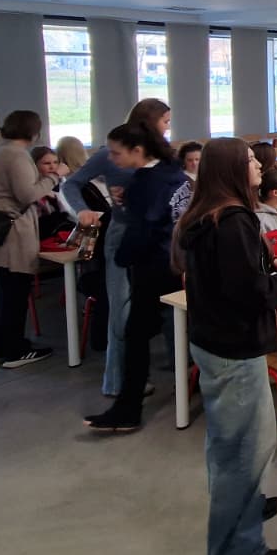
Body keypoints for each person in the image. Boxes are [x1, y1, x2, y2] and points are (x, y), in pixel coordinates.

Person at [174, 137, 277, 555]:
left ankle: (246, 507)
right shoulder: (233, 222)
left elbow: (232, 280)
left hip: (214, 341)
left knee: (230, 444)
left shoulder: (207, 215)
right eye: (249, 161)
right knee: (245, 450)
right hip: (234, 348)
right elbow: (253, 294)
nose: (259, 166)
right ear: (231, 170)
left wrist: (266, 270)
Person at [62, 99, 173, 398]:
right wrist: (82, 210)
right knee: (122, 309)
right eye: (165, 121)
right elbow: (71, 184)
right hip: (124, 234)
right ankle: (117, 381)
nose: (168, 127)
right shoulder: (110, 154)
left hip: (157, 235)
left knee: (165, 302)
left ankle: (176, 367)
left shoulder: (160, 154)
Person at [83, 121, 188, 432]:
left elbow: (142, 230)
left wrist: (121, 257)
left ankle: (128, 408)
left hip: (153, 265)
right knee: (168, 328)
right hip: (177, 260)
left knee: (135, 336)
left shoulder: (146, 183)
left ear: (138, 150)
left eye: (116, 153)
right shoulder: (174, 173)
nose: (111, 158)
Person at [0, 109, 60, 366]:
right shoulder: (17, 155)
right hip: (9, 233)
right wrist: (53, 176)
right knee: (13, 293)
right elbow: (27, 195)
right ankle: (15, 350)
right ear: (34, 132)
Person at [27, 146, 71, 240]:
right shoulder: (31, 187)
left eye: (55, 162)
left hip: (63, 231)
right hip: (39, 234)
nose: (52, 167)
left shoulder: (63, 183)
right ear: (34, 165)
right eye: (47, 163)